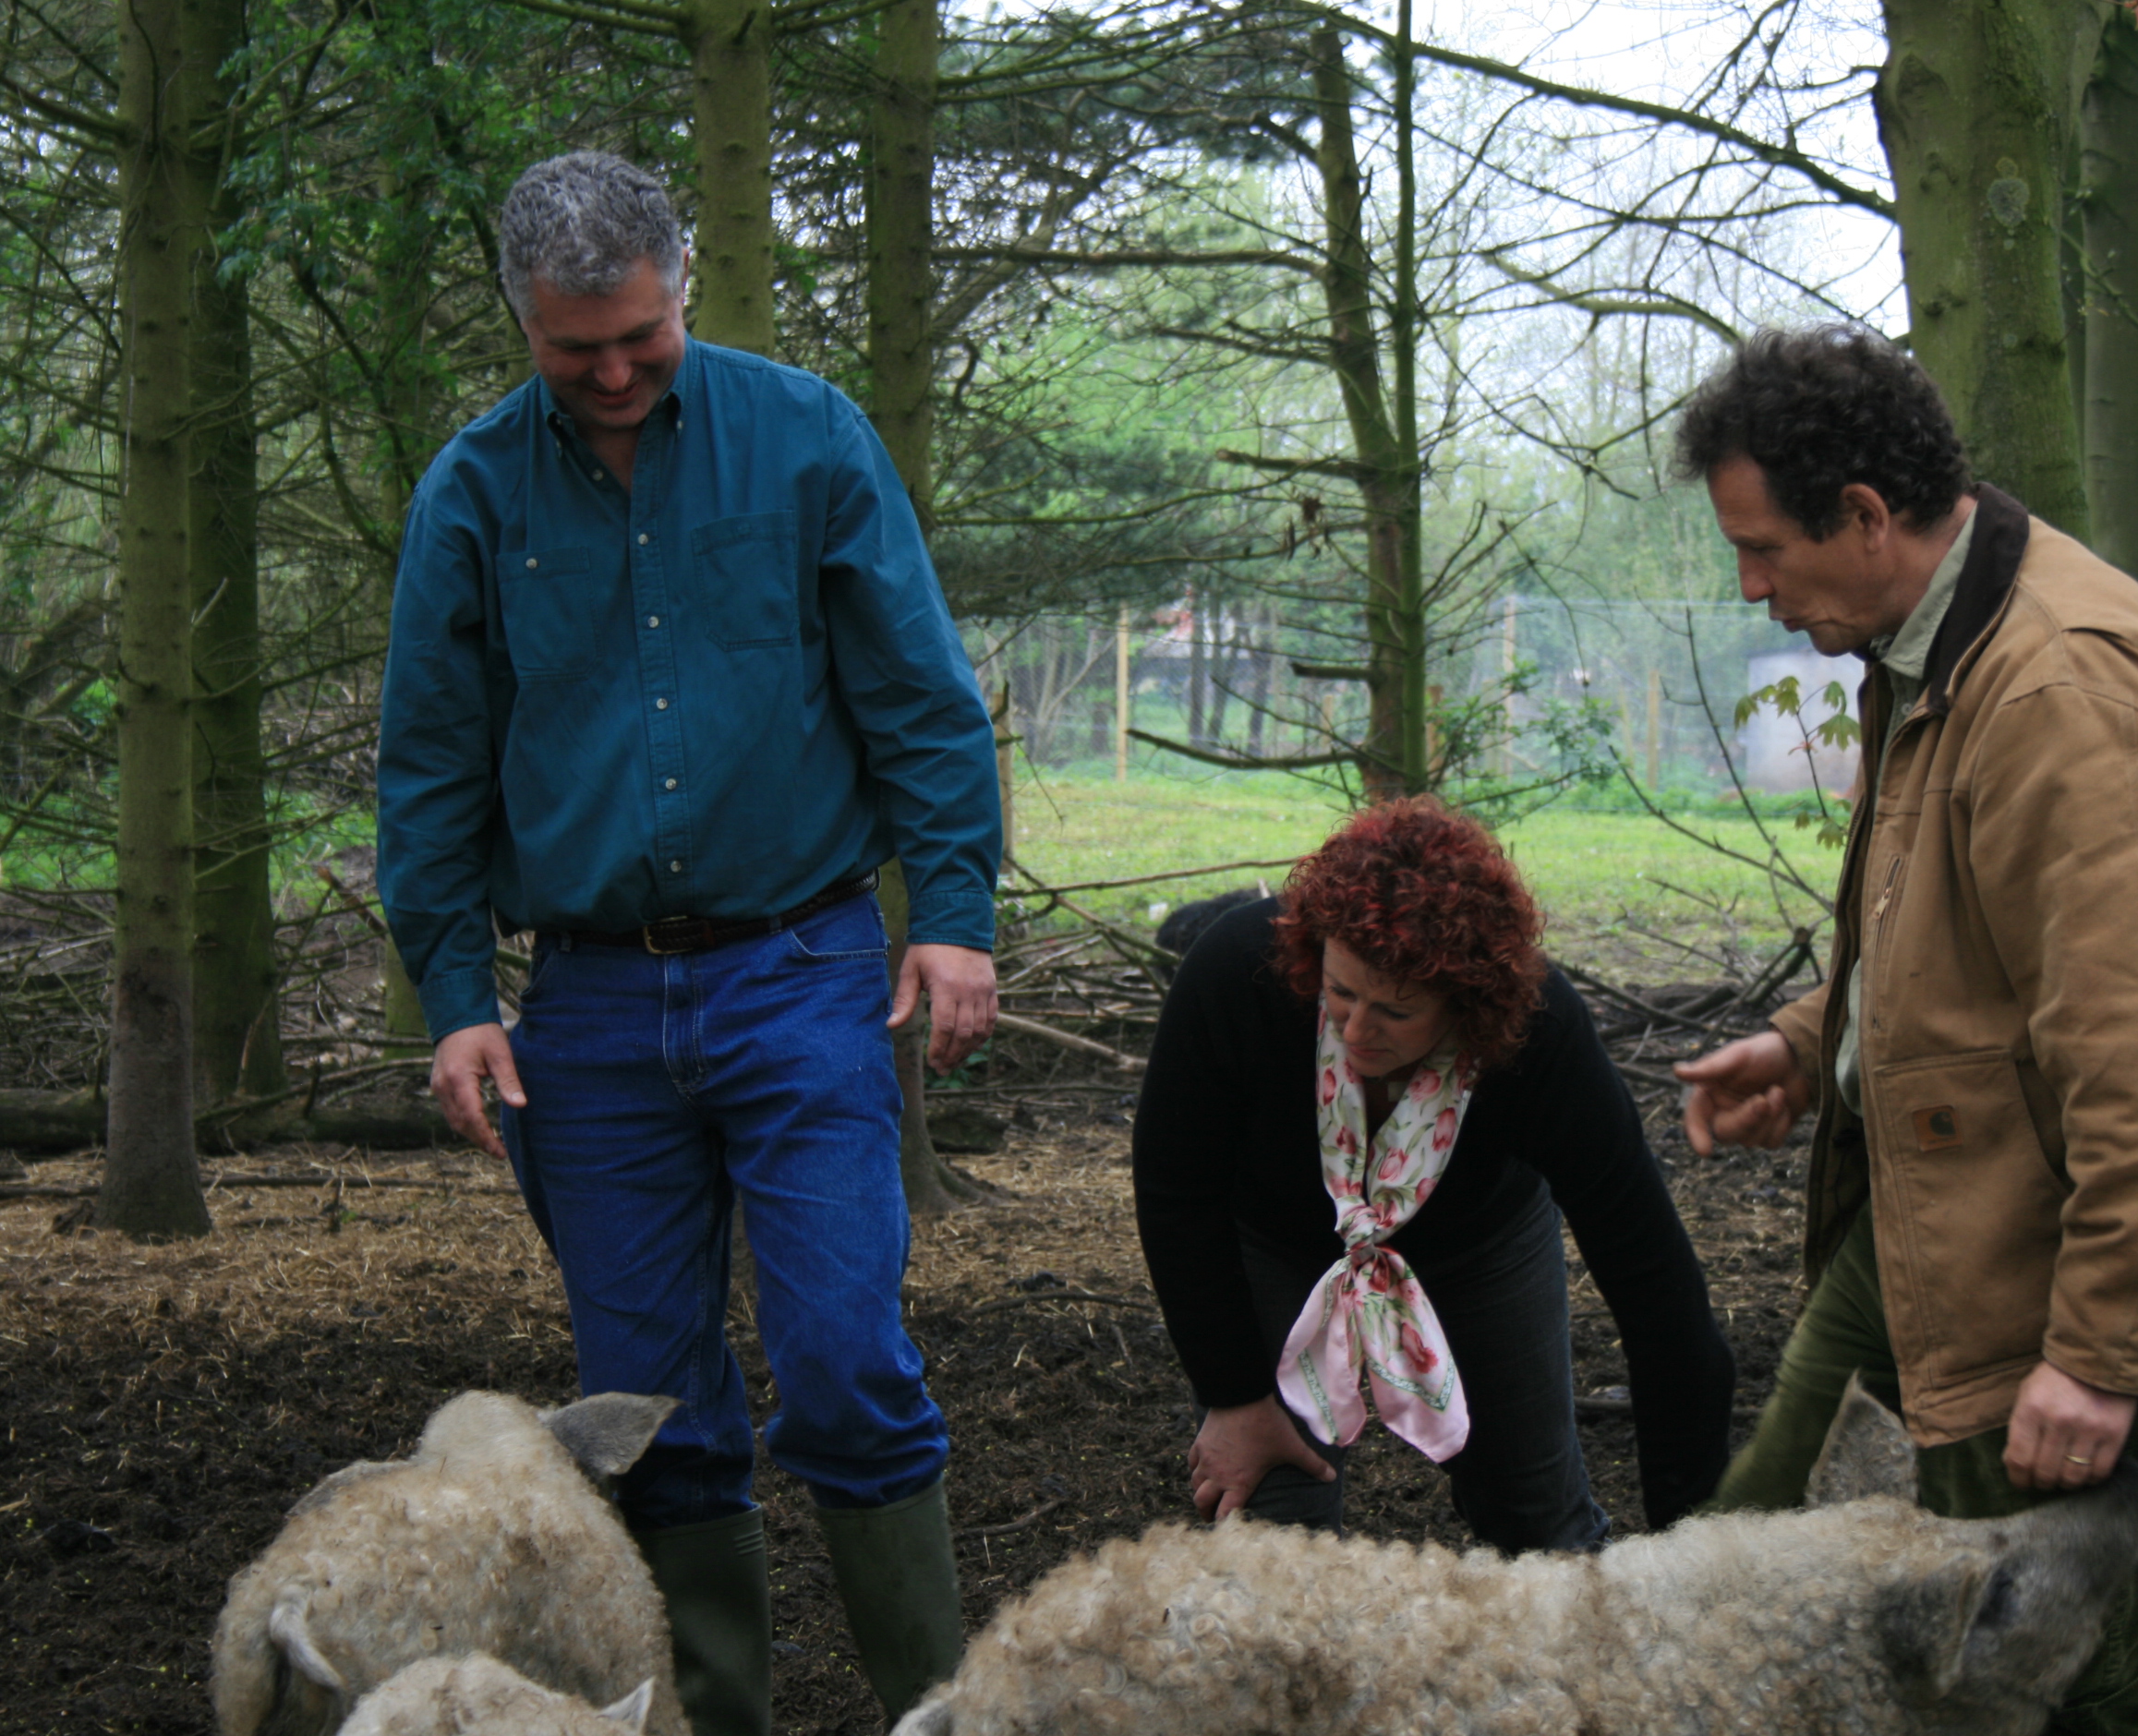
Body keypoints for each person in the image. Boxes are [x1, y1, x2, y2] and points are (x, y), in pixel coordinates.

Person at [1670, 327, 2138, 1734]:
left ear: (1866, 517)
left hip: (2063, 1248)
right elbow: (1970, 940)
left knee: (2080, 1661)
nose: (1753, 587)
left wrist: (2102, 1359)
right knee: (1751, 1546)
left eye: (1763, 549)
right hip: (1943, 1210)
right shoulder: (1935, 640)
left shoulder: (2063, 691)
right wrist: (1817, 1047)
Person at [375, 152, 1000, 1736]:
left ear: (683, 279)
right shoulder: (471, 493)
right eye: (570, 344)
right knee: (647, 1412)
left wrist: (954, 919)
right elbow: (431, 766)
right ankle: (718, 1717)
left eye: (635, 335)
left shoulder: (805, 440)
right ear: (520, 318)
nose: (608, 371)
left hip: (800, 972)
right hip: (583, 1007)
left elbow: (920, 702)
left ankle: (940, 1711)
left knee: (847, 1351)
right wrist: (456, 997)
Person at [1133, 797, 1735, 1551]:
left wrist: (1696, 1542)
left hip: (1480, 1242)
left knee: (1539, 1528)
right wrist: (1234, 1395)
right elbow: (1174, 1192)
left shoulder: (1540, 1037)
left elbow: (1656, 1285)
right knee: (1274, 1536)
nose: (1355, 1031)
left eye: (1395, 1011)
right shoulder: (1236, 974)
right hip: (1281, 1238)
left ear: (1468, 1008)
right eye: (1342, 992)